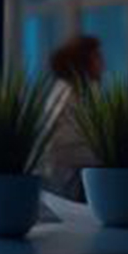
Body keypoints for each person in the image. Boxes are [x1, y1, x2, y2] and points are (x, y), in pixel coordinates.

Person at [43, 34, 104, 200]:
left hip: (71, 177)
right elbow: (57, 144)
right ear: (83, 62)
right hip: (65, 181)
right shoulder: (66, 92)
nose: (103, 64)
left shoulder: (83, 91)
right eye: (97, 57)